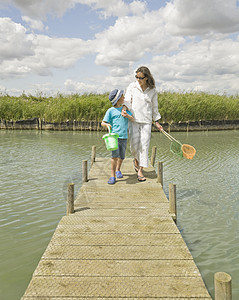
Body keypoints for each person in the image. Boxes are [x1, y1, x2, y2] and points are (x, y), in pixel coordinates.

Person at [123, 66, 163, 182]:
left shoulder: (152, 90)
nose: (138, 79)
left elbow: (155, 107)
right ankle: (136, 159)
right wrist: (124, 109)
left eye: (140, 77)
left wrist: (156, 121)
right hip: (133, 120)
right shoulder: (132, 86)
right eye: (136, 77)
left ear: (146, 78)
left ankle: (140, 170)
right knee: (134, 146)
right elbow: (127, 100)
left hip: (146, 121)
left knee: (144, 146)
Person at [101, 89, 134, 185]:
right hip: (114, 138)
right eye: (122, 97)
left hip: (124, 137)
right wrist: (107, 125)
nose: (124, 98)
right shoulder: (110, 111)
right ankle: (112, 176)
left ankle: (118, 170)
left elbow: (132, 119)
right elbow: (103, 122)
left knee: (122, 156)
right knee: (114, 156)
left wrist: (127, 115)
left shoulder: (125, 110)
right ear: (118, 99)